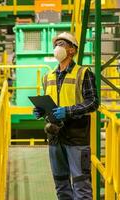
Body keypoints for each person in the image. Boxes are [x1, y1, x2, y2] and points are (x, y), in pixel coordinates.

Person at [33, 32, 99, 200]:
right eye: (56, 44)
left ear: (72, 50)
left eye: (62, 44)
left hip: (76, 137)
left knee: (81, 184)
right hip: (55, 136)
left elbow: (93, 102)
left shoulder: (83, 73)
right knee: (61, 184)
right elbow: (52, 102)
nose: (57, 47)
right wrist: (41, 111)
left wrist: (68, 111)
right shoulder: (48, 77)